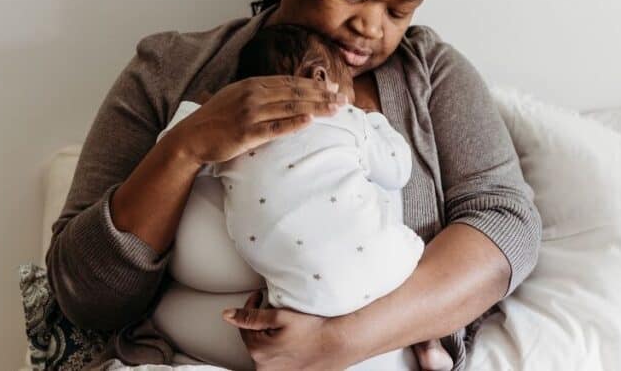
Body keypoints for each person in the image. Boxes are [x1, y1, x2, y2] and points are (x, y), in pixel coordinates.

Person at [46, 0, 542, 371]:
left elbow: (506, 225)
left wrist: (337, 344)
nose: (372, 27)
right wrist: (185, 148)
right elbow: (84, 293)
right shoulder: (171, 69)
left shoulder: (432, 76)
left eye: (399, 11)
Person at [158, 23, 452, 370]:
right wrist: (377, 124)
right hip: (389, 270)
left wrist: (199, 113)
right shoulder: (347, 117)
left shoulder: (238, 136)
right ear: (320, 76)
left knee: (269, 328)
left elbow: (172, 147)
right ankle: (428, 342)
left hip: (300, 300)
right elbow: (397, 171)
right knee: (399, 225)